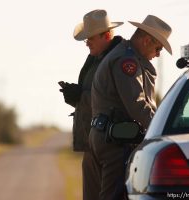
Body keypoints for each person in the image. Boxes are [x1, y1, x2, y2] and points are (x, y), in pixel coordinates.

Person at [89, 15, 172, 200]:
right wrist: (164, 129)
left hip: (110, 137)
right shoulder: (127, 61)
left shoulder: (124, 54)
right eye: (158, 48)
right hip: (116, 142)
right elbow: (138, 105)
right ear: (146, 40)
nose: (158, 54)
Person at [59, 9, 123, 200]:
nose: (87, 42)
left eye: (91, 38)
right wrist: (75, 97)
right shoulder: (99, 59)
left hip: (108, 144)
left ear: (107, 35)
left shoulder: (117, 61)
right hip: (94, 142)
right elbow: (96, 98)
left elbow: (113, 102)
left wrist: (81, 95)